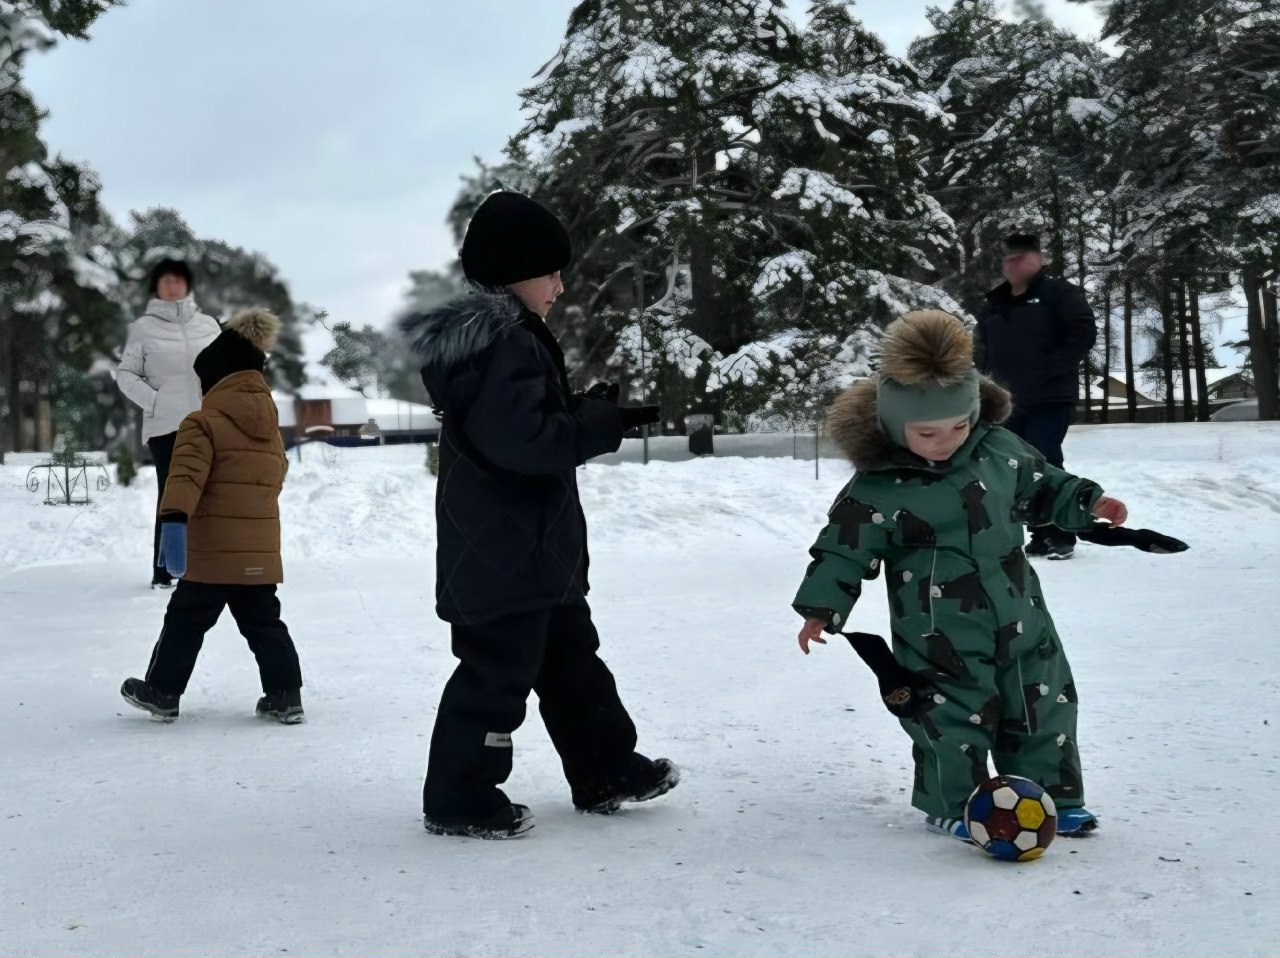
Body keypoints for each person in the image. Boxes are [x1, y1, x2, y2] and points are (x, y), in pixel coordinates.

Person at [401, 190, 677, 840]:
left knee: (574, 664)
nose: (560, 284)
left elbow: (525, 425)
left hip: (526, 553)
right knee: (496, 677)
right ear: (512, 272)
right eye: (549, 271)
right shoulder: (503, 342)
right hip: (506, 556)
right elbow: (525, 443)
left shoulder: (500, 341)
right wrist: (592, 426)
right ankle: (459, 794)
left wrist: (586, 413)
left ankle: (606, 767)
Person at [792, 310, 1126, 840]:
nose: (944, 440)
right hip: (936, 631)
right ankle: (955, 800)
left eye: (958, 425)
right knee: (947, 716)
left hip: (1021, 611)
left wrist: (1088, 503)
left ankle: (1053, 796)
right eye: (926, 432)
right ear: (892, 424)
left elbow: (1045, 487)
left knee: (1043, 701)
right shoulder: (879, 486)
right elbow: (842, 551)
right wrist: (820, 609)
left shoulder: (998, 451)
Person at [120, 309, 304, 725]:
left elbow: (184, 477)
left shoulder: (201, 422)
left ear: (215, 378)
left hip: (210, 556)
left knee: (185, 621)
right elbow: (277, 476)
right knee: (265, 624)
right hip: (256, 552)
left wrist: (172, 520)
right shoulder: (269, 426)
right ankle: (286, 695)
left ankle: (163, 692)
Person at [975, 233, 1097, 560]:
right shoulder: (995, 303)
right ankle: (1039, 533)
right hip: (1006, 402)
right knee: (1015, 465)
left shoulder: (1058, 293)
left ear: (1038, 260)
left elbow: (1083, 330)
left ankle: (1062, 534)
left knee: (1044, 459)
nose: (1013, 264)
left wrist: (1053, 367)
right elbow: (982, 348)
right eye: (1008, 259)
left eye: (1021, 258)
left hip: (1049, 396)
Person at [116, 259, 221, 587]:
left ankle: (207, 564)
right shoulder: (142, 328)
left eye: (178, 280)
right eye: (166, 281)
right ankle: (164, 570)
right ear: (157, 288)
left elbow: (227, 368)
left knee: (212, 494)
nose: (173, 286)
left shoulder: (209, 325)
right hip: (167, 427)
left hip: (209, 425)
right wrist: (156, 402)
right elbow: (126, 374)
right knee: (172, 496)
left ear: (187, 286)